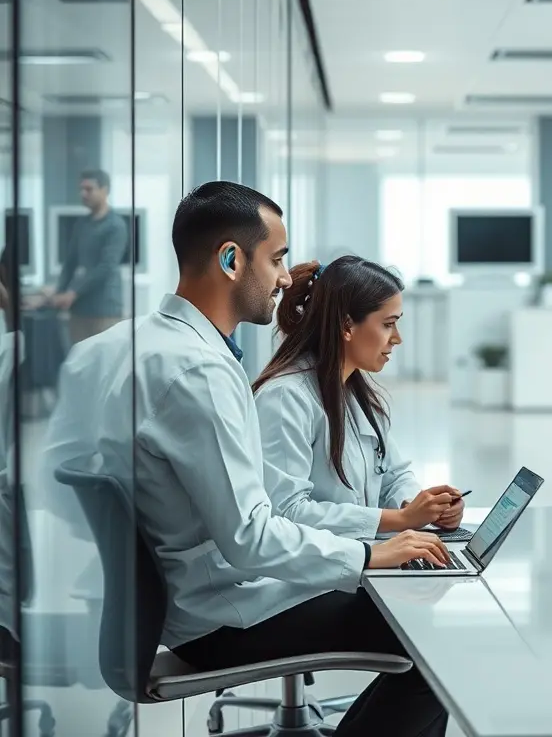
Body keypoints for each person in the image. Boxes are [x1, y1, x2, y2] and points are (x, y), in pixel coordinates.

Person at [45, 181, 451, 736]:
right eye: (276, 259)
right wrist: (368, 554)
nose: (286, 279)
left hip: (180, 606)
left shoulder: (107, 348)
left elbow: (59, 482)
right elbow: (250, 537)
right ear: (232, 260)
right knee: (431, 638)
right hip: (224, 620)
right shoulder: (201, 372)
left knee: (406, 603)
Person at [252, 256, 465, 538]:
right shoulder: (285, 398)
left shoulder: (356, 393)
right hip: (316, 564)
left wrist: (422, 507)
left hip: (359, 553)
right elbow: (286, 512)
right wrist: (400, 518)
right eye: (388, 324)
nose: (397, 338)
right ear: (347, 326)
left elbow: (394, 475)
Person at [49, 169, 129, 344]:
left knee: (104, 358)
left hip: (104, 310)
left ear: (104, 190)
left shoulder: (116, 226)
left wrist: (72, 292)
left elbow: (106, 266)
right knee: (78, 357)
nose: (83, 194)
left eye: (89, 189)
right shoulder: (81, 224)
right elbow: (70, 263)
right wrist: (59, 292)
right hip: (79, 309)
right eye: (81, 189)